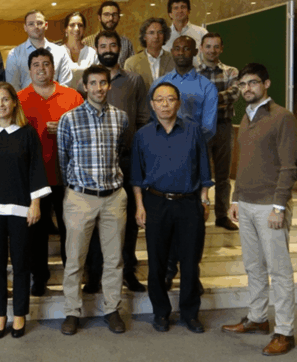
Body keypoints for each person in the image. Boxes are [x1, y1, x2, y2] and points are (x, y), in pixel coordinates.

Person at [221, 63, 297, 356]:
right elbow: (243, 163)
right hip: (247, 204)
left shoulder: (282, 117)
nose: (247, 89)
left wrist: (279, 207)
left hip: (270, 206)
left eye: (253, 82)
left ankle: (285, 332)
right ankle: (257, 318)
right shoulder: (246, 117)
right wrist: (235, 199)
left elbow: (290, 166)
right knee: (253, 267)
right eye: (242, 84)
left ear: (266, 84)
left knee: (279, 272)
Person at [0, 82, 51, 339]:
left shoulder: (27, 133)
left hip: (20, 208)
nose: (1, 104)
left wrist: (35, 202)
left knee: (21, 263)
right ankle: (0, 314)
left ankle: (19, 313)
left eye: (5, 99)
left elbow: (36, 168)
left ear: (14, 103)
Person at [132, 82, 213, 334]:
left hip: (189, 202)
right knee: (156, 262)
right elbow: (136, 175)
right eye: (160, 100)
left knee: (190, 261)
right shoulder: (142, 135)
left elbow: (204, 167)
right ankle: (161, 312)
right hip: (155, 202)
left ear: (178, 103)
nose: (165, 104)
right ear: (152, 104)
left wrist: (204, 199)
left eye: (170, 99)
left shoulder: (193, 130)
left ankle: (190, 313)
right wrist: (139, 206)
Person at [57, 65, 129, 336]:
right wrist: (74, 188)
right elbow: (63, 159)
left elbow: (120, 151)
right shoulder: (69, 119)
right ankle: (72, 311)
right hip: (80, 197)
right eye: (93, 83)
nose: (99, 88)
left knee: (114, 259)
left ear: (109, 85)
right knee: (75, 259)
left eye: (103, 83)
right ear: (85, 87)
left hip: (113, 197)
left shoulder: (121, 118)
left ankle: (112, 309)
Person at [83, 30, 151, 294]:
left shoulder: (134, 80)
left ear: (120, 48)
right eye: (103, 45)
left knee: (129, 222)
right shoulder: (86, 80)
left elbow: (143, 119)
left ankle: (128, 272)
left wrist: (140, 156)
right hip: (95, 162)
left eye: (113, 45)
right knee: (95, 220)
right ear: (97, 49)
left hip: (127, 159)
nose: (108, 49)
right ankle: (94, 274)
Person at [150, 35, 218, 288]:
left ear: (194, 52)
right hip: (163, 160)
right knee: (168, 219)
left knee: (193, 223)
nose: (181, 52)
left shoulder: (206, 86)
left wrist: (186, 141)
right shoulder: (160, 84)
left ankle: (191, 274)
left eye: (186, 49)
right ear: (172, 51)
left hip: (194, 159)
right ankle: (169, 269)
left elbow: (209, 127)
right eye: (177, 48)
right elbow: (154, 119)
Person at [17, 48, 84, 296]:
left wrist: (66, 130)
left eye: (46, 64)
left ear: (53, 68)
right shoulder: (19, 99)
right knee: (36, 232)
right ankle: (39, 277)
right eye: (36, 64)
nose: (41, 68)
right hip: (34, 177)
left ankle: (72, 276)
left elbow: (85, 132)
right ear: (29, 70)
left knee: (70, 230)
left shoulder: (72, 96)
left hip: (68, 176)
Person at [195, 33, 240, 231]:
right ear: (201, 48)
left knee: (223, 175)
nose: (212, 50)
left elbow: (235, 93)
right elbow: (193, 98)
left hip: (223, 126)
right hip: (200, 128)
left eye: (216, 47)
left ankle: (222, 216)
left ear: (221, 49)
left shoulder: (231, 71)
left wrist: (208, 98)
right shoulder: (193, 72)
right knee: (198, 172)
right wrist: (218, 99)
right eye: (208, 46)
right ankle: (197, 213)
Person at [5, 10, 73, 90]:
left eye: (39, 23)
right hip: (24, 98)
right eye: (31, 24)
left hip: (56, 97)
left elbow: (65, 85)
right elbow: (13, 87)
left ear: (46, 25)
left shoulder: (60, 52)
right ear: (25, 27)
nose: (36, 27)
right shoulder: (14, 54)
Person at [124, 17, 174, 91]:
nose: (156, 36)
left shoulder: (174, 60)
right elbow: (128, 91)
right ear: (144, 36)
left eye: (160, 32)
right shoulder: (131, 63)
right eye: (151, 33)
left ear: (164, 35)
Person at [82, 1, 135, 67]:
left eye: (114, 15)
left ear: (119, 17)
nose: (111, 18)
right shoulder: (86, 42)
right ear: (99, 18)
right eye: (106, 14)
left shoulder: (126, 43)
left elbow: (131, 67)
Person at [59, 11, 97, 93]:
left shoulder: (92, 53)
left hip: (87, 97)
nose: (76, 28)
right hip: (63, 98)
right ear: (66, 29)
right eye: (72, 25)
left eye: (80, 25)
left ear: (84, 29)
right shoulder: (57, 52)